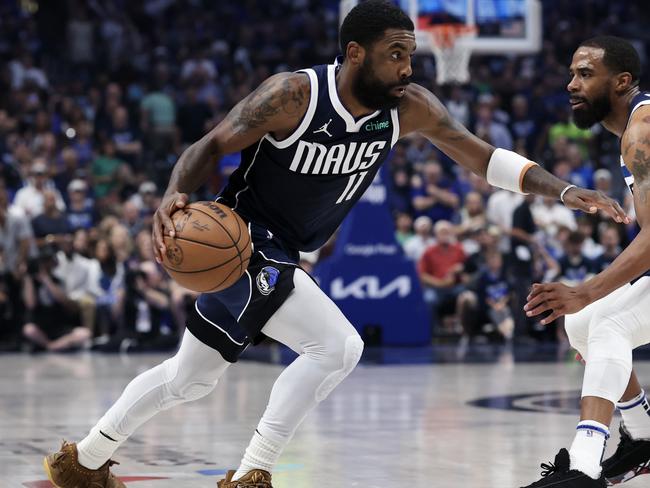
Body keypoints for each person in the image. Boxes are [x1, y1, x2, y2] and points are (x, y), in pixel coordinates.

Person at [43, 4, 628, 488]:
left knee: (189, 379)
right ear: (355, 53)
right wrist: (172, 193)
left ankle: (83, 461)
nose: (406, 67)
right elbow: (209, 144)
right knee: (339, 347)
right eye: (395, 54)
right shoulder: (294, 95)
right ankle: (253, 474)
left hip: (278, 254)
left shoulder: (408, 108)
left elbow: (483, 157)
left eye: (411, 55)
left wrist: (566, 190)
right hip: (243, 240)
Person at [523, 36, 650, 487]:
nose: (570, 83)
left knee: (608, 323)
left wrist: (584, 289)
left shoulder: (642, 129)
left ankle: (583, 468)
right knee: (581, 323)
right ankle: (642, 436)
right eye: (573, 73)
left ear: (621, 82)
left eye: (584, 74)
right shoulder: (634, 128)